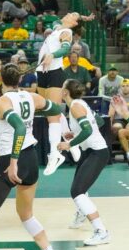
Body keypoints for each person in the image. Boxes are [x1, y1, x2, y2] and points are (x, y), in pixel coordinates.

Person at [0, 64, 63, 250]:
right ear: (20, 80)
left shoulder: (1, 102)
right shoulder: (33, 97)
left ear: (0, 80)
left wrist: (13, 162)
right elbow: (56, 109)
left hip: (12, 160)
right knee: (26, 215)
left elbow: (19, 128)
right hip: (32, 159)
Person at [36, 12, 94, 175]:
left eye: (72, 14)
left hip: (54, 72)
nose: (68, 13)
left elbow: (66, 48)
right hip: (42, 72)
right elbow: (55, 20)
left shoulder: (66, 32)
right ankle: (71, 141)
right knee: (50, 112)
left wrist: (52, 55)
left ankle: (55, 155)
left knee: (53, 116)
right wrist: (82, 17)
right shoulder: (57, 28)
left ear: (73, 23)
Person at [58, 80, 110, 246]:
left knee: (77, 191)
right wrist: (75, 133)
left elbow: (88, 129)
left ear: (66, 92)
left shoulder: (75, 106)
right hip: (90, 151)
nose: (60, 89)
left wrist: (69, 144)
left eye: (62, 87)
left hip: (97, 152)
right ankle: (81, 213)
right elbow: (98, 123)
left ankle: (101, 231)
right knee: (80, 188)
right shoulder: (80, 104)